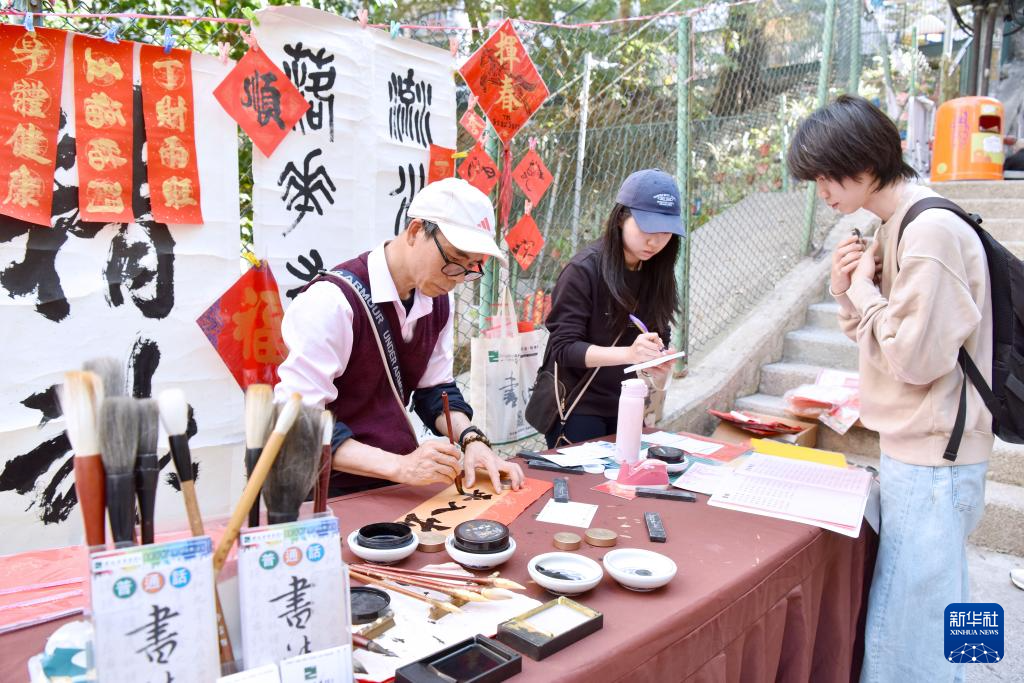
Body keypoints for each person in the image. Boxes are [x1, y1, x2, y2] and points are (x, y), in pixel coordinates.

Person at [788, 94, 991, 682]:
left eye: (829, 174)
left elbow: (916, 359)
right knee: (943, 602)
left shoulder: (929, 231)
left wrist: (866, 292)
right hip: (930, 451)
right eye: (815, 177)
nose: (822, 189)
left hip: (935, 457)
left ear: (867, 160)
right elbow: (874, 337)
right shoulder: (895, 223)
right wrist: (846, 287)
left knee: (904, 634)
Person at [275, 178, 524, 495]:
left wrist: (472, 439)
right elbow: (299, 422)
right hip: (325, 487)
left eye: (472, 266)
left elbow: (436, 391)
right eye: (453, 259)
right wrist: (401, 466)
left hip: (393, 480)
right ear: (416, 231)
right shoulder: (332, 302)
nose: (458, 278)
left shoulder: (437, 301)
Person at [539, 168, 683, 448]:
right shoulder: (583, 270)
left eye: (665, 232)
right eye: (646, 229)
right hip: (578, 407)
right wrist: (629, 353)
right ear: (620, 218)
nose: (655, 241)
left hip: (629, 402)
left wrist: (657, 358)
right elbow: (564, 349)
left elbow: (659, 333)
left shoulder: (657, 272)